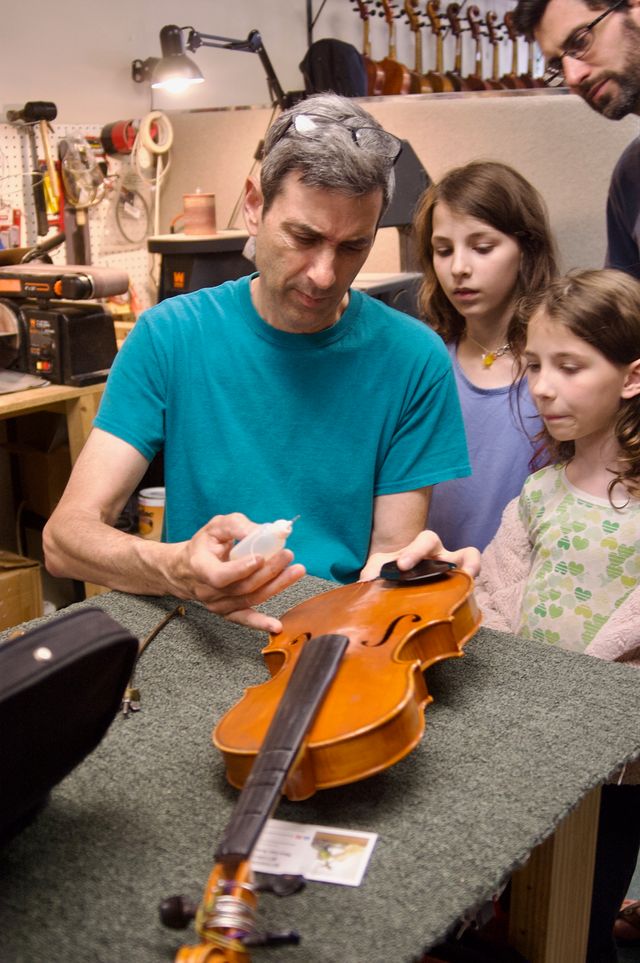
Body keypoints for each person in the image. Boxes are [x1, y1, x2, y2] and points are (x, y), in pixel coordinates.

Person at [43, 93, 471, 633]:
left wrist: (418, 580)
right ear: (253, 205)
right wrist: (176, 568)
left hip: (337, 635)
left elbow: (387, 559)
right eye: (304, 237)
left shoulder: (414, 360)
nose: (323, 274)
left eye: (352, 247)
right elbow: (64, 539)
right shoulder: (169, 336)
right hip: (199, 627)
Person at [420, 269, 640, 963]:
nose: (543, 386)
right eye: (537, 364)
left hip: (618, 758)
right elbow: (499, 598)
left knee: (583, 914)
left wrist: (588, 685)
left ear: (633, 378)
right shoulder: (540, 492)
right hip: (532, 738)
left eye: (570, 366)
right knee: (523, 908)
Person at [413, 160, 557, 551]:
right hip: (435, 591)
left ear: (526, 248)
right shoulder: (425, 364)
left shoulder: (558, 373)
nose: (459, 268)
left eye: (482, 247)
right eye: (443, 251)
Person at [512, 0, 640, 279]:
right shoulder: (630, 174)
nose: (573, 76)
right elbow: (624, 315)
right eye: (558, 65)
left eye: (580, 41)